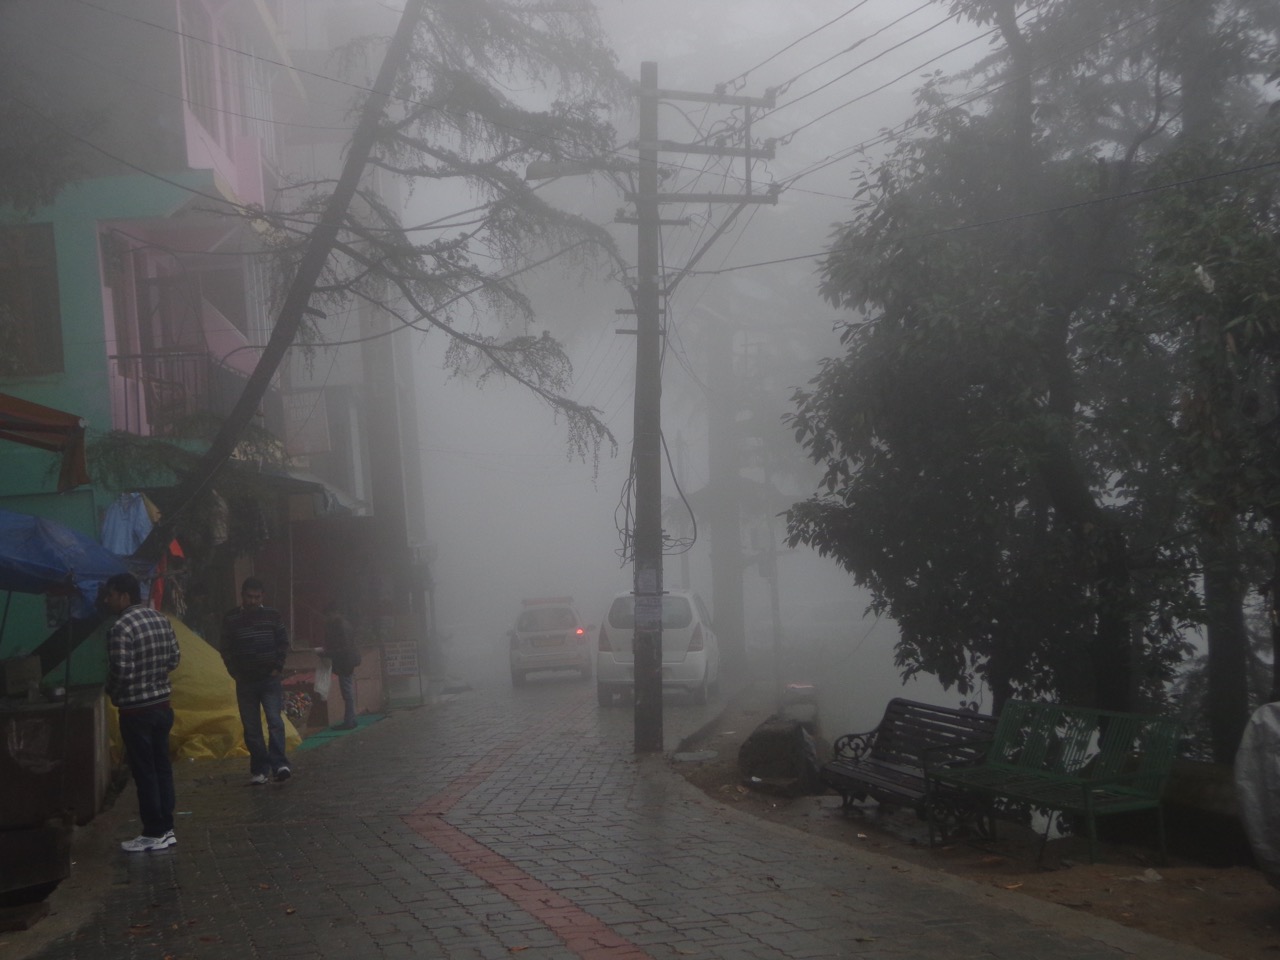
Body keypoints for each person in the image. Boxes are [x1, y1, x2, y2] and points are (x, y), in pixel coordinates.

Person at [102, 572, 181, 853]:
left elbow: (121, 670)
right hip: (162, 706)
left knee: (144, 771)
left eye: (110, 595)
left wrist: (110, 688)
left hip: (136, 711)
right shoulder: (160, 619)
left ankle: (153, 831)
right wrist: (155, 676)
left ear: (124, 596)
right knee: (161, 768)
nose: (107, 600)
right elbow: (174, 658)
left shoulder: (120, 627)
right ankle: (167, 827)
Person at [221, 577, 291, 784]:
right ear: (242, 596)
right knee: (251, 728)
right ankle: (260, 769)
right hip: (245, 682)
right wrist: (235, 672)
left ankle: (280, 765)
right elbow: (225, 648)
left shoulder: (272, 615)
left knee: (275, 722)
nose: (252, 601)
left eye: (257, 597)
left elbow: (283, 642)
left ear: (262, 597)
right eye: (249, 597)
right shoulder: (231, 619)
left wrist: (278, 667)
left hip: (269, 679)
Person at [321, 602, 361, 730]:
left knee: (347, 692)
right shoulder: (344, 624)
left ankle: (349, 721)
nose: (326, 618)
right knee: (348, 691)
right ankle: (351, 719)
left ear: (333, 613)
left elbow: (343, 647)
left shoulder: (339, 626)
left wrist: (327, 653)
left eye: (327, 615)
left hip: (345, 662)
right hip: (348, 660)